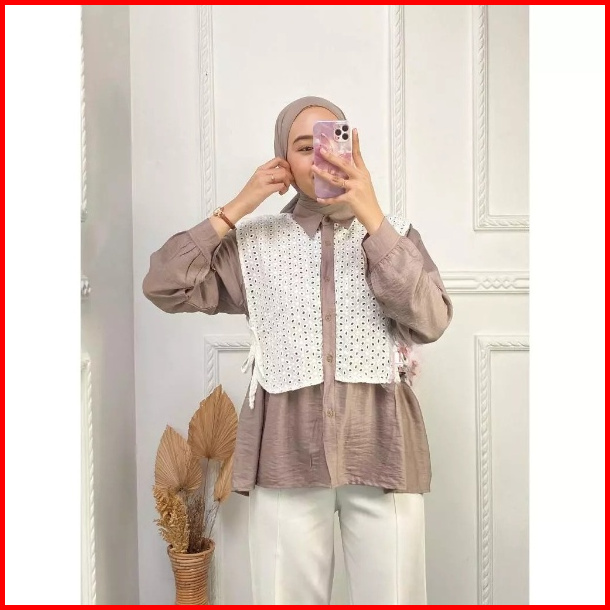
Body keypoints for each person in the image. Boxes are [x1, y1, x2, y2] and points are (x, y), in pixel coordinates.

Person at [143, 96, 453, 605]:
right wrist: (237, 207)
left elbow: (432, 319)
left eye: (332, 143)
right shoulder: (255, 243)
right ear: (283, 160)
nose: (320, 158)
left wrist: (372, 215)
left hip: (381, 449)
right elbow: (163, 284)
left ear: (352, 150)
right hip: (285, 455)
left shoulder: (394, 234)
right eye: (305, 147)